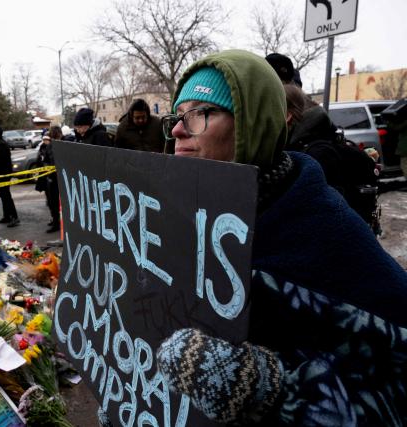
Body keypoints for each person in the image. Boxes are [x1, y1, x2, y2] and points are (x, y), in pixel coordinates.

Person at [153, 50, 407, 425]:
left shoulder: (322, 230)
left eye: (200, 113)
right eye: (178, 116)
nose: (177, 129)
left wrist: (273, 392)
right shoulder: (177, 215)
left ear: (253, 124)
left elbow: (393, 387)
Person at [0, 127, 19, 227]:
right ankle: (7, 216)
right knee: (3, 194)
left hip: (5, 173)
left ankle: (14, 217)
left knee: (6, 195)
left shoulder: (1, 144)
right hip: (1, 172)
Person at [38, 126, 61, 233]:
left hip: (58, 178)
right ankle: (56, 221)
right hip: (51, 178)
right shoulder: (50, 146)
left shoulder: (61, 145)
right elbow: (45, 160)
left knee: (57, 202)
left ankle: (58, 222)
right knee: (52, 202)